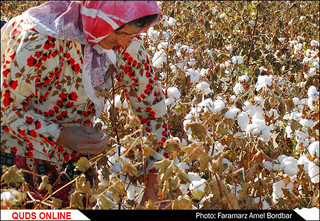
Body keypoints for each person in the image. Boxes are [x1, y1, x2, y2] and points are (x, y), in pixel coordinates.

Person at [1, 1, 168, 207]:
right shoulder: (40, 38)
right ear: (102, 19)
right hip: (16, 158)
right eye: (122, 34)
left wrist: (155, 185)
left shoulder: (126, 43)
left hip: (74, 163)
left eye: (133, 35)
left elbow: (153, 111)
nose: (125, 43)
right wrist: (61, 135)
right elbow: (7, 109)